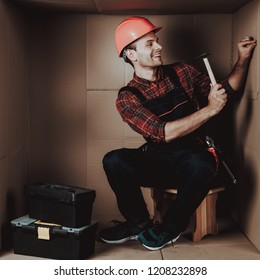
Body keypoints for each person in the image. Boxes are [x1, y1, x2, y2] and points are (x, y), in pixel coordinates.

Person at [99, 16, 257, 251]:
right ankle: (139, 224)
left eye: (157, 41)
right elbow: (162, 134)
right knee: (113, 160)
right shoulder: (127, 97)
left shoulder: (183, 72)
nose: (159, 47)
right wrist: (209, 110)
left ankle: (170, 228)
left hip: (193, 163)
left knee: (202, 162)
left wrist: (243, 59)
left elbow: (227, 92)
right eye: (149, 44)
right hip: (159, 161)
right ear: (131, 55)